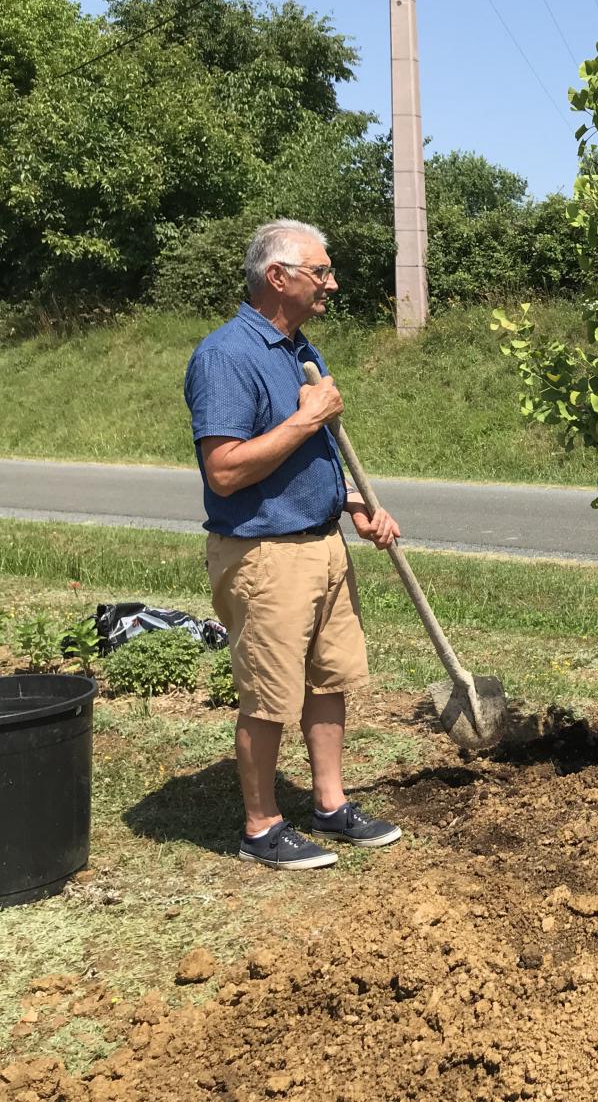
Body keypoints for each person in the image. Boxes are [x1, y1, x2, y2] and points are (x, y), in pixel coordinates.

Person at [184, 219, 405, 868]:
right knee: (268, 695)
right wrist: (308, 416)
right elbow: (224, 470)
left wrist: (358, 505)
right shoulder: (225, 356)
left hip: (322, 544)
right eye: (321, 272)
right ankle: (261, 827)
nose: (332, 283)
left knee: (329, 680)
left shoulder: (302, 352)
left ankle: (330, 805)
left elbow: (317, 453)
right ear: (278, 278)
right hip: (264, 555)